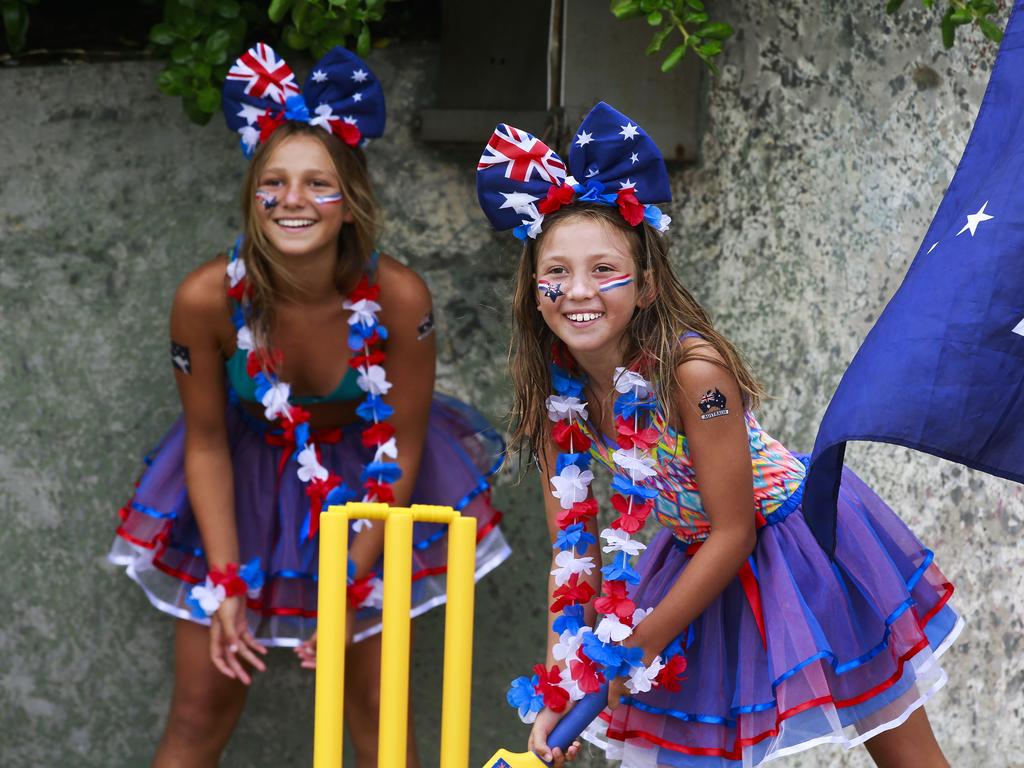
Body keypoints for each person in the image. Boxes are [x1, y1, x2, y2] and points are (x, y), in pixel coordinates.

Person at [475, 103, 962, 767]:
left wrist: (634, 647)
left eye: (604, 269)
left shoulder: (695, 374)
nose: (578, 290)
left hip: (798, 541)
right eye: (556, 271)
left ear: (645, 285)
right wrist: (561, 684)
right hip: (694, 556)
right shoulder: (556, 399)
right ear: (535, 292)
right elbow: (572, 558)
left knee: (900, 748)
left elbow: (736, 529)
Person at [109, 44, 510, 767]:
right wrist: (225, 582)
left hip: (372, 490)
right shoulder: (205, 300)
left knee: (380, 719)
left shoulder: (400, 298)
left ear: (350, 199)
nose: (293, 199)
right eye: (275, 182)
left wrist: (350, 582)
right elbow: (203, 441)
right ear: (252, 195)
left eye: (317, 183)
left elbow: (408, 448)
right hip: (243, 481)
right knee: (199, 713)